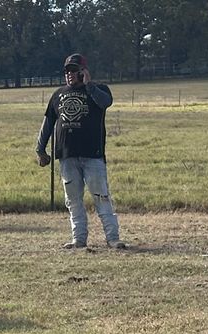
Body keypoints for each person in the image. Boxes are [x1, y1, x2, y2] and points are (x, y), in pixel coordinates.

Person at [35, 53, 126, 250]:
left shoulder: (98, 90)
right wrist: (40, 149)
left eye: (74, 71)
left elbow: (105, 103)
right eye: (67, 71)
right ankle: (79, 239)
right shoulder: (58, 94)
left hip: (93, 155)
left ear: (84, 72)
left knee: (101, 197)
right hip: (67, 156)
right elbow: (48, 122)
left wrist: (89, 85)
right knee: (73, 201)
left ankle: (113, 238)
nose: (70, 75)